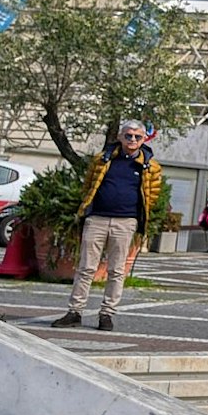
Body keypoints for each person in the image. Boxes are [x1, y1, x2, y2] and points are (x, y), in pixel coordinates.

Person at [52, 120, 166, 332]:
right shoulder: (102, 159)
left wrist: (138, 219)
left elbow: (152, 196)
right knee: (86, 267)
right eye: (128, 135)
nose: (132, 140)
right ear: (120, 137)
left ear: (144, 139)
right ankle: (74, 311)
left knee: (116, 270)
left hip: (126, 221)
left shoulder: (150, 166)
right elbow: (88, 186)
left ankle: (107, 314)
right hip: (97, 218)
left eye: (137, 137)